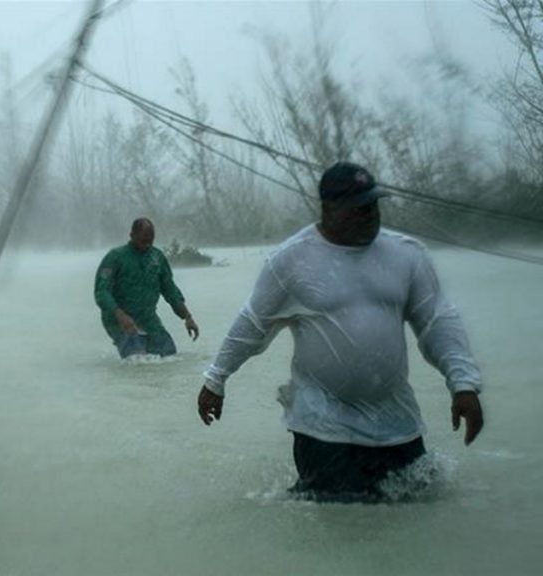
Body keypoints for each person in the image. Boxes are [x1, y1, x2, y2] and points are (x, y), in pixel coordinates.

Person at [197, 162, 485, 502]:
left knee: (417, 514)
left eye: (373, 206)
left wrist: (463, 384)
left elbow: (437, 321)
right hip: (322, 427)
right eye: (358, 209)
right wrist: (216, 380)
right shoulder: (291, 261)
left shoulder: (406, 254)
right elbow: (252, 325)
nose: (369, 216)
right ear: (328, 208)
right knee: (340, 527)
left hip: (396, 422)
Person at [94, 217, 199, 358]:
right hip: (119, 320)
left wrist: (187, 317)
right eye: (143, 240)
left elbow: (170, 290)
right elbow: (101, 292)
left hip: (148, 319)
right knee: (137, 361)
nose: (147, 245)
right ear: (132, 235)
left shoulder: (157, 258)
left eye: (151, 240)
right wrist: (120, 315)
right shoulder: (116, 257)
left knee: (169, 355)